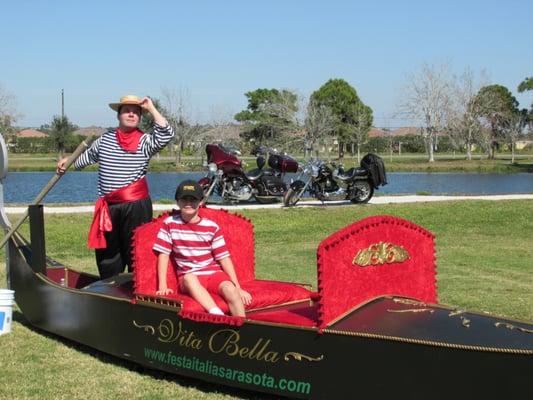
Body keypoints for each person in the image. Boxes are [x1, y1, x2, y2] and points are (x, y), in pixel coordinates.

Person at [57, 95, 174, 279]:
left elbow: (166, 133)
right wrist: (67, 161)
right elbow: (83, 160)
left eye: (136, 112)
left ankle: (139, 291)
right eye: (127, 111)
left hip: (136, 206)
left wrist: (151, 108)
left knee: (137, 253)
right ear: (118, 115)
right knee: (108, 256)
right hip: (109, 208)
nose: (131, 114)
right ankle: (109, 290)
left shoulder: (145, 141)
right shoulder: (104, 140)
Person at [153, 180, 252, 317]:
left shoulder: (211, 227)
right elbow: (163, 255)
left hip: (212, 273)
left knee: (230, 289)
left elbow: (223, 258)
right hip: (188, 276)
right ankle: (217, 315)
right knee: (189, 278)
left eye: (193, 199)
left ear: (200, 202)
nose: (188, 203)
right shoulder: (169, 224)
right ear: (177, 202)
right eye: (184, 199)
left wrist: (238, 287)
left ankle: (242, 326)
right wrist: (162, 285)